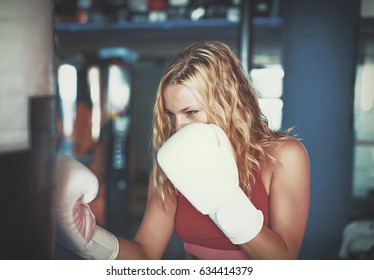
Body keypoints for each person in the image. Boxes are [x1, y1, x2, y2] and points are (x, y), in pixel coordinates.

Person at [54, 40, 310, 260]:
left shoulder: (283, 156)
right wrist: (89, 240)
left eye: (191, 112)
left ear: (229, 103)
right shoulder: (173, 163)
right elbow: (146, 255)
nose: (178, 127)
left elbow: (284, 260)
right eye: (172, 115)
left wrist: (226, 203)